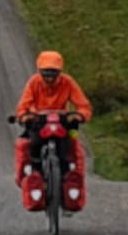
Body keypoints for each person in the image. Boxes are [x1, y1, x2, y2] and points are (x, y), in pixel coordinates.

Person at [14, 50, 93, 193]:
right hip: (39, 122)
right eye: (46, 72)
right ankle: (36, 177)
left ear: (60, 71)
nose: (49, 76)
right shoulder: (34, 82)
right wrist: (23, 116)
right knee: (34, 146)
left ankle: (65, 182)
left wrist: (80, 116)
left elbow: (83, 105)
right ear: (39, 71)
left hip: (62, 122)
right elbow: (23, 105)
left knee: (66, 152)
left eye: (53, 72)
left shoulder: (67, 82)